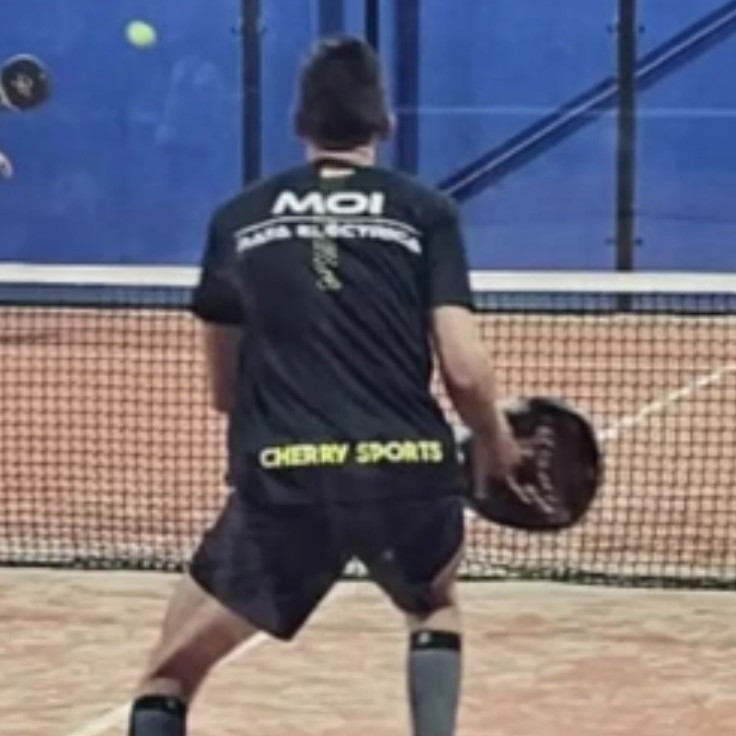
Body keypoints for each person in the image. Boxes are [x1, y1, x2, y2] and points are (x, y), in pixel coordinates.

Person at [128, 36, 520, 736]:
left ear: (299, 123)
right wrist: (493, 440)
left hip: (287, 482)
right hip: (408, 472)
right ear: (384, 122)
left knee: (167, 677)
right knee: (432, 607)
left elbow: (224, 392)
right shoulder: (425, 212)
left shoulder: (237, 219)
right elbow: (463, 367)